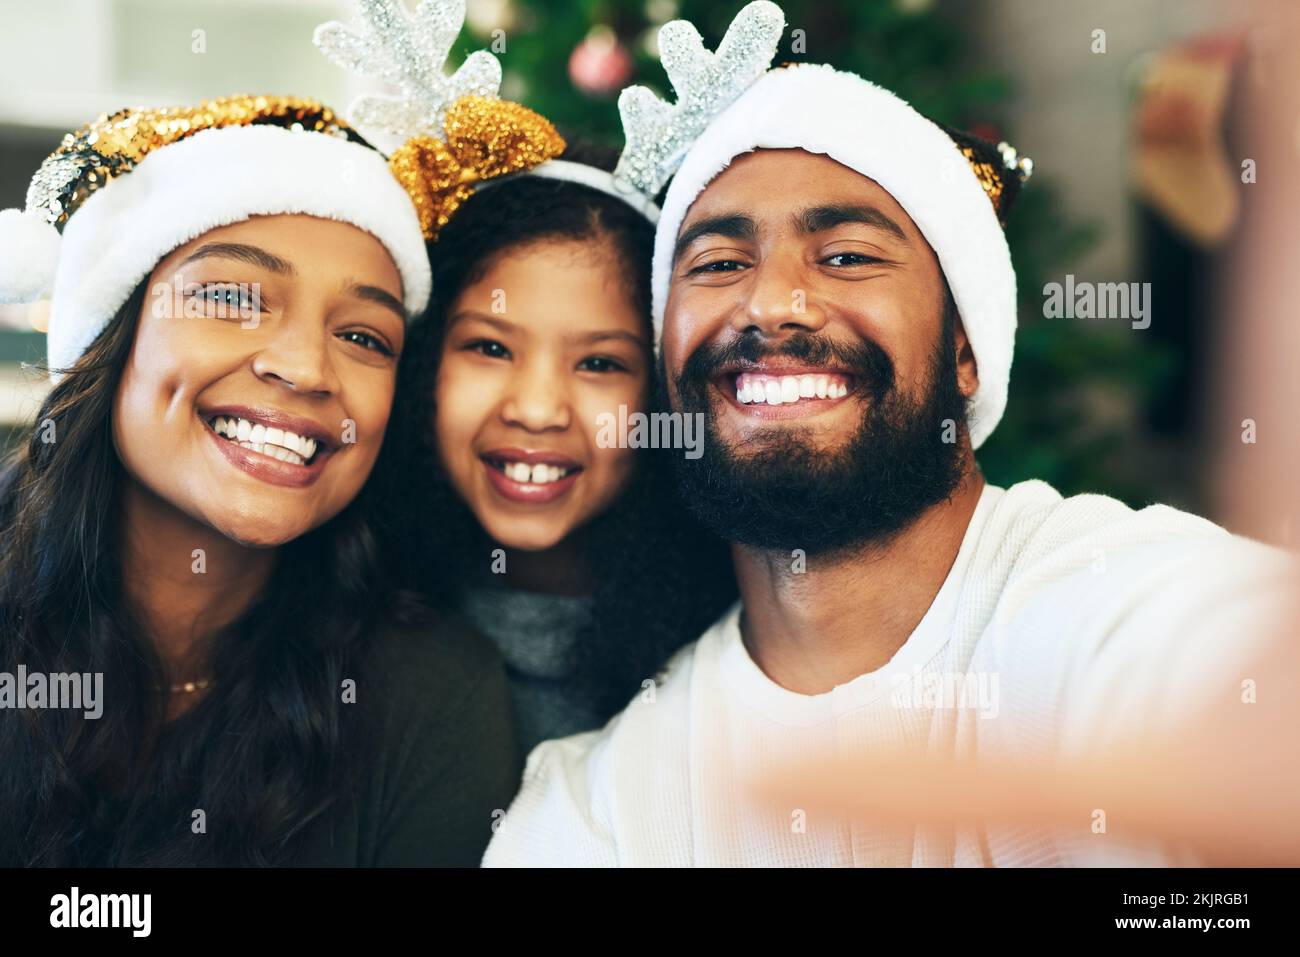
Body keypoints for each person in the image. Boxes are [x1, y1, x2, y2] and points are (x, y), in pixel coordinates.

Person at [482, 1, 1296, 866]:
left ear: (965, 349)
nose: (771, 304)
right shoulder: (596, 802)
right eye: (720, 264)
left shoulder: (1117, 606)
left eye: (846, 256)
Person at [0, 94, 519, 866]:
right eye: (234, 297)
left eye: (361, 335)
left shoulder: (434, 696)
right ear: (112, 333)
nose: (306, 367)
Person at [381, 138, 737, 753]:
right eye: (490, 348)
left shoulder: (736, 646)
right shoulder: (344, 617)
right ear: (424, 362)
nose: (538, 410)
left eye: (600, 362)